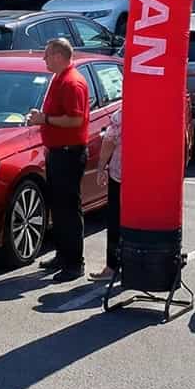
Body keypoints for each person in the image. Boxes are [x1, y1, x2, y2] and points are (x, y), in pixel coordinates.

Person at [27, 37, 90, 282]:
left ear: (59, 56)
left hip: (69, 152)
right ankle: (63, 255)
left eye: (47, 55)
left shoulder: (72, 82)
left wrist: (45, 120)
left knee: (68, 209)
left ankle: (75, 263)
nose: (43, 59)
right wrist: (44, 119)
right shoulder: (59, 78)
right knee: (59, 207)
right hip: (57, 151)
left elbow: (75, 120)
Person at [90, 105, 122, 282]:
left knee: (116, 221)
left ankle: (113, 266)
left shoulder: (122, 115)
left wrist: (101, 167)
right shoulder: (155, 111)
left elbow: (109, 140)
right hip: (144, 179)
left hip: (121, 176)